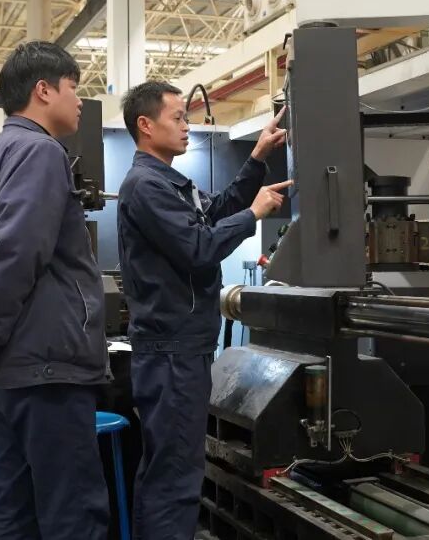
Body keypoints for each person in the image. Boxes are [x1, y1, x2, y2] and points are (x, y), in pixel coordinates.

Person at [0, 41, 110, 540]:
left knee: (11, 507)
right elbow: (16, 254)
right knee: (72, 512)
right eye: (73, 87)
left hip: (15, 370)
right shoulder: (40, 152)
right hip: (48, 368)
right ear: (44, 90)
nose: (80, 100)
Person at [116, 81, 289, 539]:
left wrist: (256, 159)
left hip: (182, 348)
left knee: (170, 469)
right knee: (174, 477)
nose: (186, 126)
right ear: (145, 124)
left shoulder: (169, 183)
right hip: (171, 352)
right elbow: (199, 247)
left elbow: (213, 214)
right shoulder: (146, 186)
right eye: (178, 117)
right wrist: (253, 215)